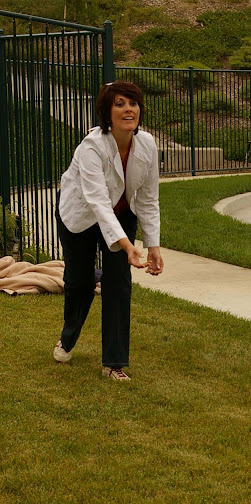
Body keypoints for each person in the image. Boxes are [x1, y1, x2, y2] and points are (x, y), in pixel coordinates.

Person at [54, 80, 163, 380]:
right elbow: (99, 204)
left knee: (118, 281)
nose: (129, 109)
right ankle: (68, 336)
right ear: (106, 111)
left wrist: (153, 246)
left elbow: (150, 197)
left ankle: (114, 363)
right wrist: (128, 247)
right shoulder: (91, 147)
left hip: (122, 210)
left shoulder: (148, 144)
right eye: (120, 104)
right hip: (81, 215)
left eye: (133, 103)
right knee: (79, 282)